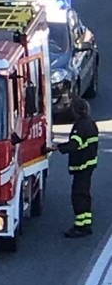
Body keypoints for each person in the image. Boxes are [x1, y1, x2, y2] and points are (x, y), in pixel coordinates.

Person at [46, 97, 98, 238]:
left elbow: (74, 145)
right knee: (85, 195)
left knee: (78, 196)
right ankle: (86, 223)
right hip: (89, 165)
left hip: (82, 167)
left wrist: (56, 148)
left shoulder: (80, 126)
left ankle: (81, 227)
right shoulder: (91, 123)